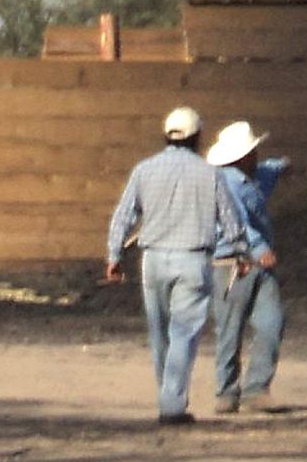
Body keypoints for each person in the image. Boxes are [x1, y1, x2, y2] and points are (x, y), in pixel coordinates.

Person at [106, 106, 250, 425]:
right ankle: (172, 405)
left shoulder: (144, 170)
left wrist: (114, 256)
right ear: (198, 138)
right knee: (183, 333)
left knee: (160, 333)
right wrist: (241, 253)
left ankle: (168, 397)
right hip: (193, 260)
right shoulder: (209, 173)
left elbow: (124, 215)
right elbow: (230, 218)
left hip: (153, 260)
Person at [206, 120, 289, 415]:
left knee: (271, 321)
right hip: (232, 262)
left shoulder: (246, 177)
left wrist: (279, 166)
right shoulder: (226, 183)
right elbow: (236, 223)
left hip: (252, 264)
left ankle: (256, 389)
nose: (256, 157)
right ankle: (227, 391)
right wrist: (260, 248)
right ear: (242, 157)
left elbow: (264, 174)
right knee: (230, 330)